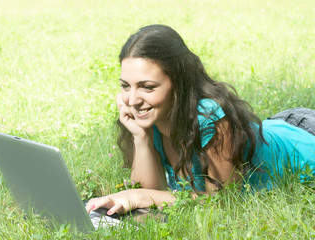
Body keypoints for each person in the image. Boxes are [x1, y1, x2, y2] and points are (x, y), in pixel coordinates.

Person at [85, 24, 315, 216]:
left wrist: (139, 196)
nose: (133, 100)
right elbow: (152, 193)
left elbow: (222, 203)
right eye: (125, 86)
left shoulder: (211, 118)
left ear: (178, 83)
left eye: (147, 87)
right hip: (277, 126)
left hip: (305, 135)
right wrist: (140, 137)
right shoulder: (154, 117)